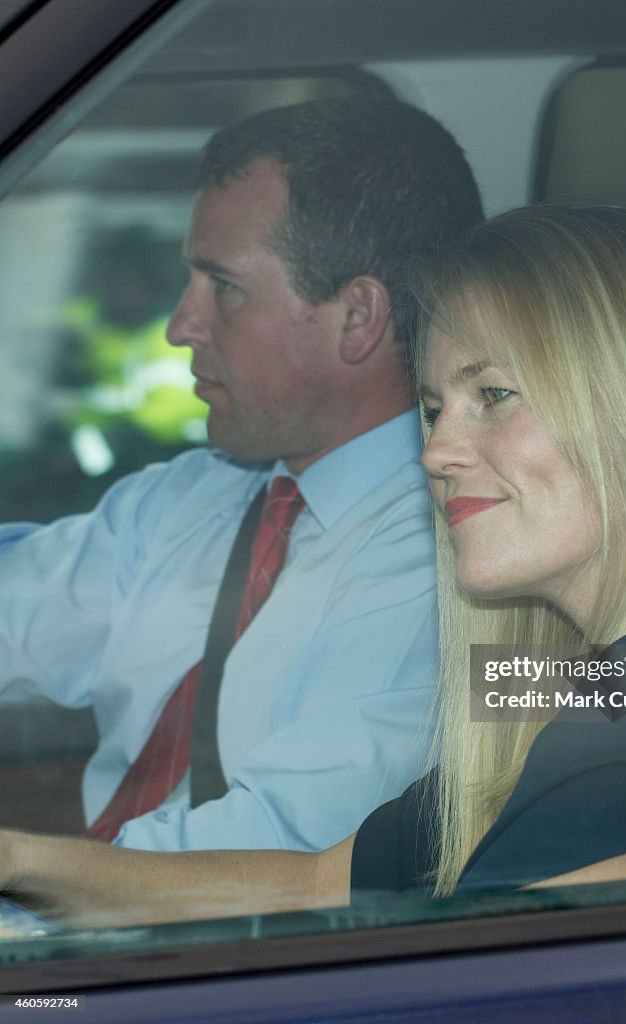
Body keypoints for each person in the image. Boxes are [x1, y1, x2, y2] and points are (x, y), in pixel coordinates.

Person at [0, 205, 626, 928]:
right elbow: (315, 882)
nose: (438, 452)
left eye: (493, 395)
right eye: (432, 407)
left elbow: (490, 967)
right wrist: (22, 861)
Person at [0, 96, 483, 853]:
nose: (179, 325)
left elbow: (271, 851)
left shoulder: (447, 553)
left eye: (221, 286)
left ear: (357, 317)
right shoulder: (193, 496)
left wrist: (26, 900)